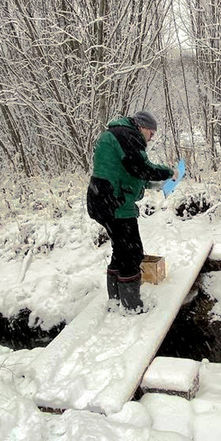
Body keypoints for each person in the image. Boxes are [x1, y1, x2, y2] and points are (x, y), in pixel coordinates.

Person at [86, 111, 175, 312]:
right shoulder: (126, 135)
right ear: (142, 126)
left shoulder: (118, 135)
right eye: (151, 133)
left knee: (121, 249)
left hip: (103, 200)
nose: (151, 138)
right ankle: (131, 305)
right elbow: (141, 167)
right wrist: (170, 173)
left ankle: (116, 300)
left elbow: (129, 171)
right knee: (132, 253)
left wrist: (156, 184)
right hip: (113, 203)